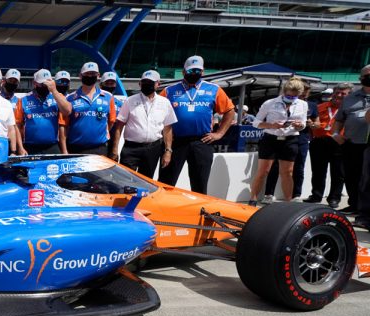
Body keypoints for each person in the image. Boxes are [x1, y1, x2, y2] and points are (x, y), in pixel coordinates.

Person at [158, 55, 235, 194]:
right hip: (175, 142)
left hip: (202, 141)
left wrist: (220, 133)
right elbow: (157, 112)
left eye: (197, 71)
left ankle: (198, 213)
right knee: (165, 183)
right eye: (190, 71)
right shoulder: (169, 91)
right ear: (183, 72)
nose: (194, 74)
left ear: (203, 72)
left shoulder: (214, 89)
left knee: (199, 183)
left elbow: (230, 110)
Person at [248, 78, 309, 206]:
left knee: (287, 172)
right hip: (270, 139)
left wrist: (299, 125)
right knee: (263, 171)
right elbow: (255, 123)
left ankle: (288, 203)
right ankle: (252, 199)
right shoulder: (270, 103)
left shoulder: (303, 104)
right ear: (284, 91)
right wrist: (271, 125)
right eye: (288, 95)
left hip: (290, 139)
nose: (291, 98)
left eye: (295, 96)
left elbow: (303, 123)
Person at [110, 70, 177, 178]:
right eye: (144, 82)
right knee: (124, 180)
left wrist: (168, 151)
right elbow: (119, 126)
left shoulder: (165, 102)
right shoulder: (129, 101)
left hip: (153, 148)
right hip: (131, 148)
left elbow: (168, 128)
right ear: (140, 83)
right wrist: (115, 149)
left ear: (158, 84)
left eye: (150, 83)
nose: (147, 85)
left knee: (147, 182)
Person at [263, 82, 319, 203]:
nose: (302, 94)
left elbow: (317, 123)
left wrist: (310, 124)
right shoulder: (282, 102)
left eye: (305, 92)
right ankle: (269, 193)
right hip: (286, 137)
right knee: (275, 166)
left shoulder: (311, 105)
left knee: (298, 168)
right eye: (301, 92)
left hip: (302, 140)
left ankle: (296, 195)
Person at [304, 83, 351, 208]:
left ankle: (334, 198)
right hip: (320, 141)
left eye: (343, 93)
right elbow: (313, 120)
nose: (339, 95)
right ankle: (316, 195)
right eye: (337, 92)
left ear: (349, 95)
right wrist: (312, 124)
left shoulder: (349, 109)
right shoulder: (320, 106)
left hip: (339, 142)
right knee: (318, 171)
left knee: (338, 173)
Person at [332, 64, 370, 214]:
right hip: (351, 143)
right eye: (367, 75)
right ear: (360, 78)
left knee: (367, 179)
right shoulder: (349, 98)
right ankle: (354, 204)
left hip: (369, 144)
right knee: (351, 175)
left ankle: (365, 210)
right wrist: (336, 135)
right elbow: (339, 119)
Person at [58, 62, 117, 155]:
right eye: (87, 74)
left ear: (98, 76)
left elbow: (111, 121)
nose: (90, 76)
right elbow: (63, 126)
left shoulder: (108, 97)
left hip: (99, 148)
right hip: (75, 148)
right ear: (80, 76)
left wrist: (98, 135)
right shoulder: (69, 98)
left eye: (93, 74)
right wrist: (64, 150)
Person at [15, 69, 72, 155]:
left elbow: (67, 111)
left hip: (52, 146)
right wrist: (20, 147)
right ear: (35, 83)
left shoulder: (57, 96)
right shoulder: (24, 100)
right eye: (42, 84)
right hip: (30, 147)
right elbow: (17, 125)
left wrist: (54, 91)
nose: (45, 86)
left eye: (47, 83)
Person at [2, 69, 24, 154]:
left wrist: (19, 147)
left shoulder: (19, 101)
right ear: (4, 81)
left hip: (15, 141)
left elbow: (19, 125)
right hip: (1, 138)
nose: (12, 83)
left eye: (15, 81)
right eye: (10, 80)